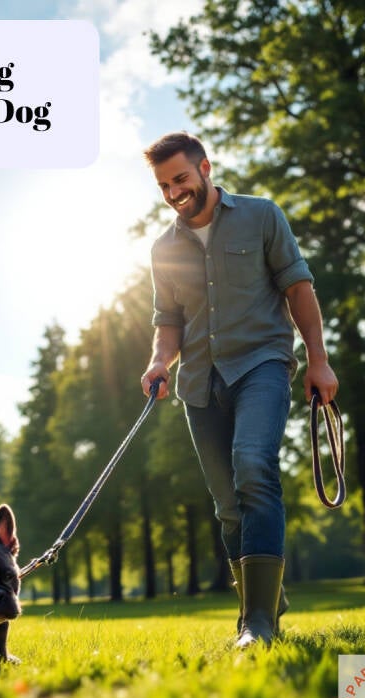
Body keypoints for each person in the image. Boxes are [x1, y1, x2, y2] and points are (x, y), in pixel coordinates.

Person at [140, 132, 338, 648]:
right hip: (199, 383)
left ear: (205, 168)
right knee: (227, 505)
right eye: (164, 185)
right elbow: (168, 320)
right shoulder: (163, 248)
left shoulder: (262, 215)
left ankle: (257, 623)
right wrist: (159, 362)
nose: (174, 192)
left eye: (180, 178)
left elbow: (298, 288)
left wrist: (319, 360)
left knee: (254, 465)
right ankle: (266, 600)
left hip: (262, 365)